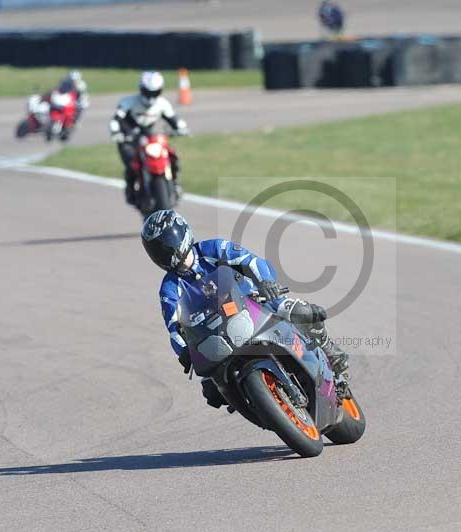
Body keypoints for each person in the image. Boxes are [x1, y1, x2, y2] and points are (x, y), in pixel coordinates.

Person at [140, 209, 350, 408]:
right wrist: (184, 352)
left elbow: (251, 261)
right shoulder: (169, 287)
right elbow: (173, 328)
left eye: (166, 245)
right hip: (215, 333)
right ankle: (255, 404)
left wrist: (266, 282)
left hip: (254, 303)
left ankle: (334, 359)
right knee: (212, 389)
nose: (164, 253)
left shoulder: (212, 248)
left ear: (182, 234)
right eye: (156, 250)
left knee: (302, 312)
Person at [109, 71, 189, 205]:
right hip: (129, 139)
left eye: (155, 93)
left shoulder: (162, 104)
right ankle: (131, 190)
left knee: (171, 155)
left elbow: (173, 118)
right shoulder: (128, 102)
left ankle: (174, 183)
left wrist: (181, 128)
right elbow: (117, 119)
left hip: (149, 139)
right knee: (131, 163)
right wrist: (117, 132)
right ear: (141, 89)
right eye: (148, 92)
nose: (151, 97)